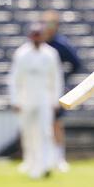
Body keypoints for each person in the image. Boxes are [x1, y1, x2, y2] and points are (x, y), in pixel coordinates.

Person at [8, 22, 63, 179]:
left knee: (45, 132)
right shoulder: (22, 53)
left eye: (39, 34)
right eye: (34, 35)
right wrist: (15, 100)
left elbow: (56, 78)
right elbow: (15, 79)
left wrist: (56, 100)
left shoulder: (51, 54)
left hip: (44, 98)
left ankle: (45, 165)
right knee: (27, 132)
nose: (37, 38)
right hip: (25, 99)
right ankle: (30, 162)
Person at [42, 10, 82, 172]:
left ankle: (59, 157)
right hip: (39, 89)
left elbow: (76, 63)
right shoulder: (39, 42)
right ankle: (43, 156)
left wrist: (63, 75)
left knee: (56, 123)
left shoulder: (60, 44)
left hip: (54, 89)